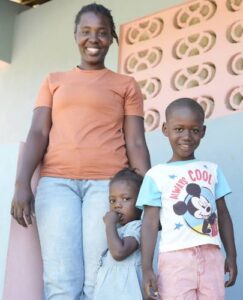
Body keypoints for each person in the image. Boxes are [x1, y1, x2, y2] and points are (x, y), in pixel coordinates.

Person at [10, 3, 150, 299]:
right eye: (86, 32)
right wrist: (22, 183)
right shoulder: (53, 81)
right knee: (61, 281)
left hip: (107, 187)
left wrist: (149, 197)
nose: (93, 39)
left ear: (112, 37)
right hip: (57, 184)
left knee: (98, 277)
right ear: (75, 35)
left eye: (101, 32)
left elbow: (136, 141)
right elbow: (38, 132)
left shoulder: (126, 85)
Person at [136, 98, 237, 300]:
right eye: (179, 129)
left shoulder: (212, 170)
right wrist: (146, 267)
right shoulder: (156, 175)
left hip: (211, 256)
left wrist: (232, 256)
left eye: (195, 130)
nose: (187, 136)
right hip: (175, 259)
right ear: (165, 129)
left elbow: (223, 215)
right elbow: (149, 222)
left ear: (203, 131)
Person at [93, 168, 144, 300]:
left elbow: (119, 253)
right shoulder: (120, 229)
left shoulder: (137, 227)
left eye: (125, 199)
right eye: (112, 200)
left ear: (140, 202)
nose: (117, 205)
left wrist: (109, 224)